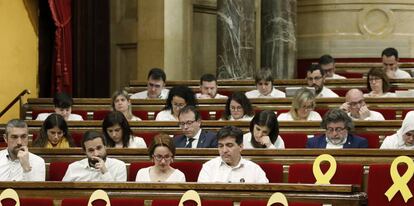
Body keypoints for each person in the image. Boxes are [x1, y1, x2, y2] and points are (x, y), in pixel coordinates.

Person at [197, 126, 269, 183]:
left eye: (229, 145)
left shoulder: (254, 170)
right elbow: (203, 198)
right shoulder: (208, 168)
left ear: (240, 147)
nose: (224, 150)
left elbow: (265, 197)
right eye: (221, 146)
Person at [62, 131, 127, 181]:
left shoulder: (119, 166)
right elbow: (62, 193)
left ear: (105, 147)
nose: (96, 154)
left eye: (99, 148)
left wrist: (105, 172)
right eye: (91, 150)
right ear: (85, 152)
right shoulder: (73, 168)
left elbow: (118, 195)